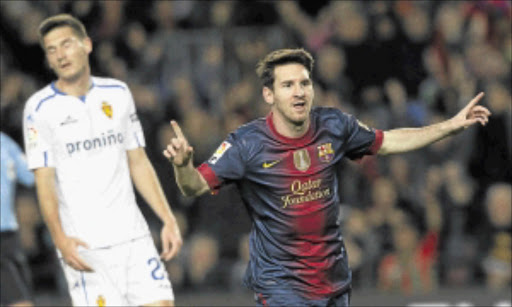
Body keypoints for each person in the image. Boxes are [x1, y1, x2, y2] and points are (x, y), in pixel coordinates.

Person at [163, 48, 490, 306]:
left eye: (304, 83)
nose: (299, 92)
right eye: (287, 85)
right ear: (269, 95)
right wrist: (182, 166)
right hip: (281, 283)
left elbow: (388, 141)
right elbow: (194, 186)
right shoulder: (245, 144)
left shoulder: (334, 125)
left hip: (332, 277)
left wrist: (448, 126)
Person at [22, 14, 182, 306]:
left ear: (87, 45)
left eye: (66, 44)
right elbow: (44, 182)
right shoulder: (39, 109)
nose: (60, 54)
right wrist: (60, 238)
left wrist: (167, 218)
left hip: (134, 236)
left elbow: (138, 161)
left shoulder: (118, 93)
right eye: (52, 49)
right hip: (85, 246)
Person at [1, 131, 35, 307]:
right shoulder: (6, 143)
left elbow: (31, 177)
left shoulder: (6, 143)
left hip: (7, 233)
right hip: (6, 234)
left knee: (18, 297)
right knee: (20, 300)